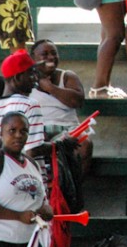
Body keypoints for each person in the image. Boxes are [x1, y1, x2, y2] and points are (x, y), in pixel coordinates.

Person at [29, 40, 92, 178]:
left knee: (85, 145)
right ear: (33, 59)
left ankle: (74, 188)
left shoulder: (68, 76)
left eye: (54, 53)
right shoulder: (27, 79)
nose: (51, 57)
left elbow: (77, 101)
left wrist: (50, 88)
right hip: (40, 129)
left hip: (69, 129)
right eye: (45, 54)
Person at [0, 112, 53, 247]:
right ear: (1, 133)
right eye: (12, 130)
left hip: (31, 242)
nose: (18, 135)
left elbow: (43, 201)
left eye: (24, 131)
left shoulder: (33, 164)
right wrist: (18, 216)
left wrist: (46, 209)